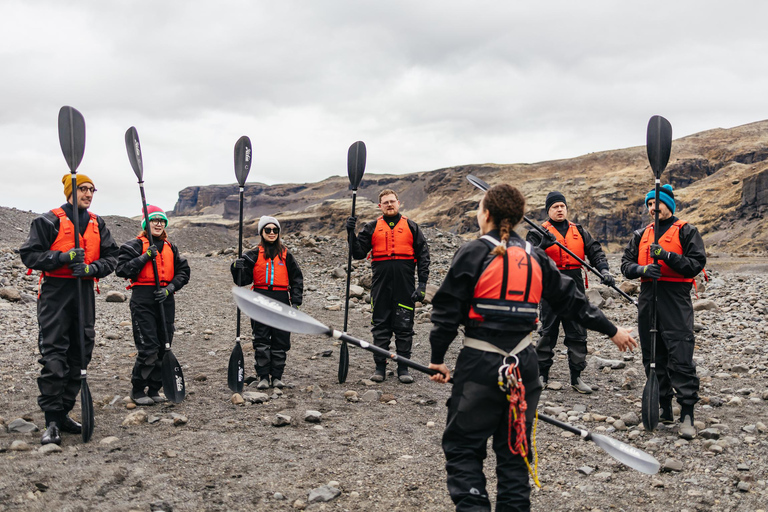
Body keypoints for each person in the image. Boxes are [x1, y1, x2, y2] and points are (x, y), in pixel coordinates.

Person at [428, 184, 637, 512]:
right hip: (524, 368)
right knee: (514, 458)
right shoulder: (536, 255)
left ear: (486, 214)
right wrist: (612, 331)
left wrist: (438, 360)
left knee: (463, 449)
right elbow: (573, 302)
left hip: (479, 366)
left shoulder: (472, 252)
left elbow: (445, 313)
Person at [20, 174, 119, 445]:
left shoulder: (98, 223)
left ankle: (64, 412)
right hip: (56, 293)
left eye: (91, 190)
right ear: (70, 191)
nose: (88, 193)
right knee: (54, 356)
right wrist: (61, 257)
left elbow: (112, 257)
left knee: (81, 354)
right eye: (83, 189)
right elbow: (29, 255)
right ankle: (51, 420)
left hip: (84, 292)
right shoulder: (48, 221)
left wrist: (91, 268)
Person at [621, 184, 706, 439]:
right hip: (649, 298)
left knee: (680, 354)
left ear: (669, 204)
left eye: (656, 203)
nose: (652, 208)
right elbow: (626, 265)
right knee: (652, 355)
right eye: (648, 204)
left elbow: (696, 264)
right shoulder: (640, 234)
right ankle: (663, 407)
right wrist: (642, 270)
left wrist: (667, 256)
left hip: (674, 298)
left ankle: (687, 412)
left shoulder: (687, 231)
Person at [525, 191, 615, 394]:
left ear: (566, 209)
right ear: (548, 210)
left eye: (562, 206)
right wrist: (542, 245)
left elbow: (595, 252)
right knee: (548, 332)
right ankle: (542, 375)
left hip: (574, 284)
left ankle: (576, 377)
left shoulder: (580, 231)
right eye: (555, 207)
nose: (559, 209)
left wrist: (604, 271)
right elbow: (526, 256)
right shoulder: (538, 231)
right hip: (549, 285)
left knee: (577, 332)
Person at [346, 189, 430, 383]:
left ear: (399, 203)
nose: (389, 205)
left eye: (392, 201)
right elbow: (358, 253)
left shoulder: (412, 227)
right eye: (385, 202)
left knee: (404, 327)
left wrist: (422, 284)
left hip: (405, 285)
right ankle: (379, 368)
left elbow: (424, 257)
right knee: (381, 326)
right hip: (381, 286)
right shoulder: (372, 227)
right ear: (380, 206)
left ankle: (403, 368)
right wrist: (351, 233)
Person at [115, 205, 190, 406]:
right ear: (146, 223)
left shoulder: (171, 248)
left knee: (165, 345)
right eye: (154, 220)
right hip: (143, 299)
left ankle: (155, 388)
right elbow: (121, 269)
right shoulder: (133, 245)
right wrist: (145, 256)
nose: (158, 223)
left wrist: (170, 288)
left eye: (161, 220)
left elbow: (184, 272)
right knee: (149, 347)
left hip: (165, 298)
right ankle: (138, 389)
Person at [232, 216, 303, 389]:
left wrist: (295, 303)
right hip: (259, 298)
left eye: (275, 230)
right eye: (268, 230)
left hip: (281, 298)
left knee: (281, 339)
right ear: (262, 233)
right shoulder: (253, 254)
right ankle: (263, 376)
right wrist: (236, 267)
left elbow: (297, 279)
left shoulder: (286, 254)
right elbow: (242, 281)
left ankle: (277, 376)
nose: (272, 233)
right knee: (262, 338)